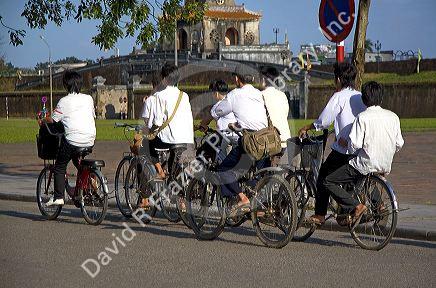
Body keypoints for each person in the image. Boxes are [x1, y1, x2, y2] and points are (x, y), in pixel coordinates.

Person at [322, 81, 404, 224]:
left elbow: (354, 145)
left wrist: (344, 143)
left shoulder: (363, 117)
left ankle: (357, 206)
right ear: (381, 98)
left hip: (365, 164)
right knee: (357, 179)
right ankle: (375, 205)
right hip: (385, 164)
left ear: (364, 99)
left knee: (328, 181)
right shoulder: (393, 116)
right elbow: (399, 143)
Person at [298, 62, 366, 225]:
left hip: (345, 148)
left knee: (324, 176)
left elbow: (324, 120)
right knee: (357, 175)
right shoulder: (360, 95)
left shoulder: (339, 96)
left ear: (338, 79)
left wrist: (308, 127)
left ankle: (320, 214)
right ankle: (374, 205)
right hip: (360, 146)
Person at [212, 64, 268, 213]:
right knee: (255, 171)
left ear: (237, 79)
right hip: (266, 140)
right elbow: (252, 117)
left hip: (251, 142)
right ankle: (258, 203)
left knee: (223, 169)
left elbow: (217, 111)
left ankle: (242, 198)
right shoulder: (258, 93)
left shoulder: (234, 94)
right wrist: (237, 124)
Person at [43, 71, 96, 206]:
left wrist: (43, 120)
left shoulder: (64, 101)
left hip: (73, 140)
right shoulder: (88, 98)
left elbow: (53, 120)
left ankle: (58, 197)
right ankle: (89, 180)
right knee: (76, 157)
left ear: (66, 85)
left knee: (60, 166)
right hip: (89, 139)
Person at [197, 80, 238, 163]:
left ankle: (206, 173)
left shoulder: (218, 106)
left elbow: (206, 121)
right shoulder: (233, 102)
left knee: (200, 152)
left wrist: (201, 126)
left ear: (216, 93)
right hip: (238, 135)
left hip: (224, 136)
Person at [260, 66, 291, 166]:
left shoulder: (259, 96)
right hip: (285, 140)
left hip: (270, 142)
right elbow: (285, 115)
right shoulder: (282, 95)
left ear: (264, 79)